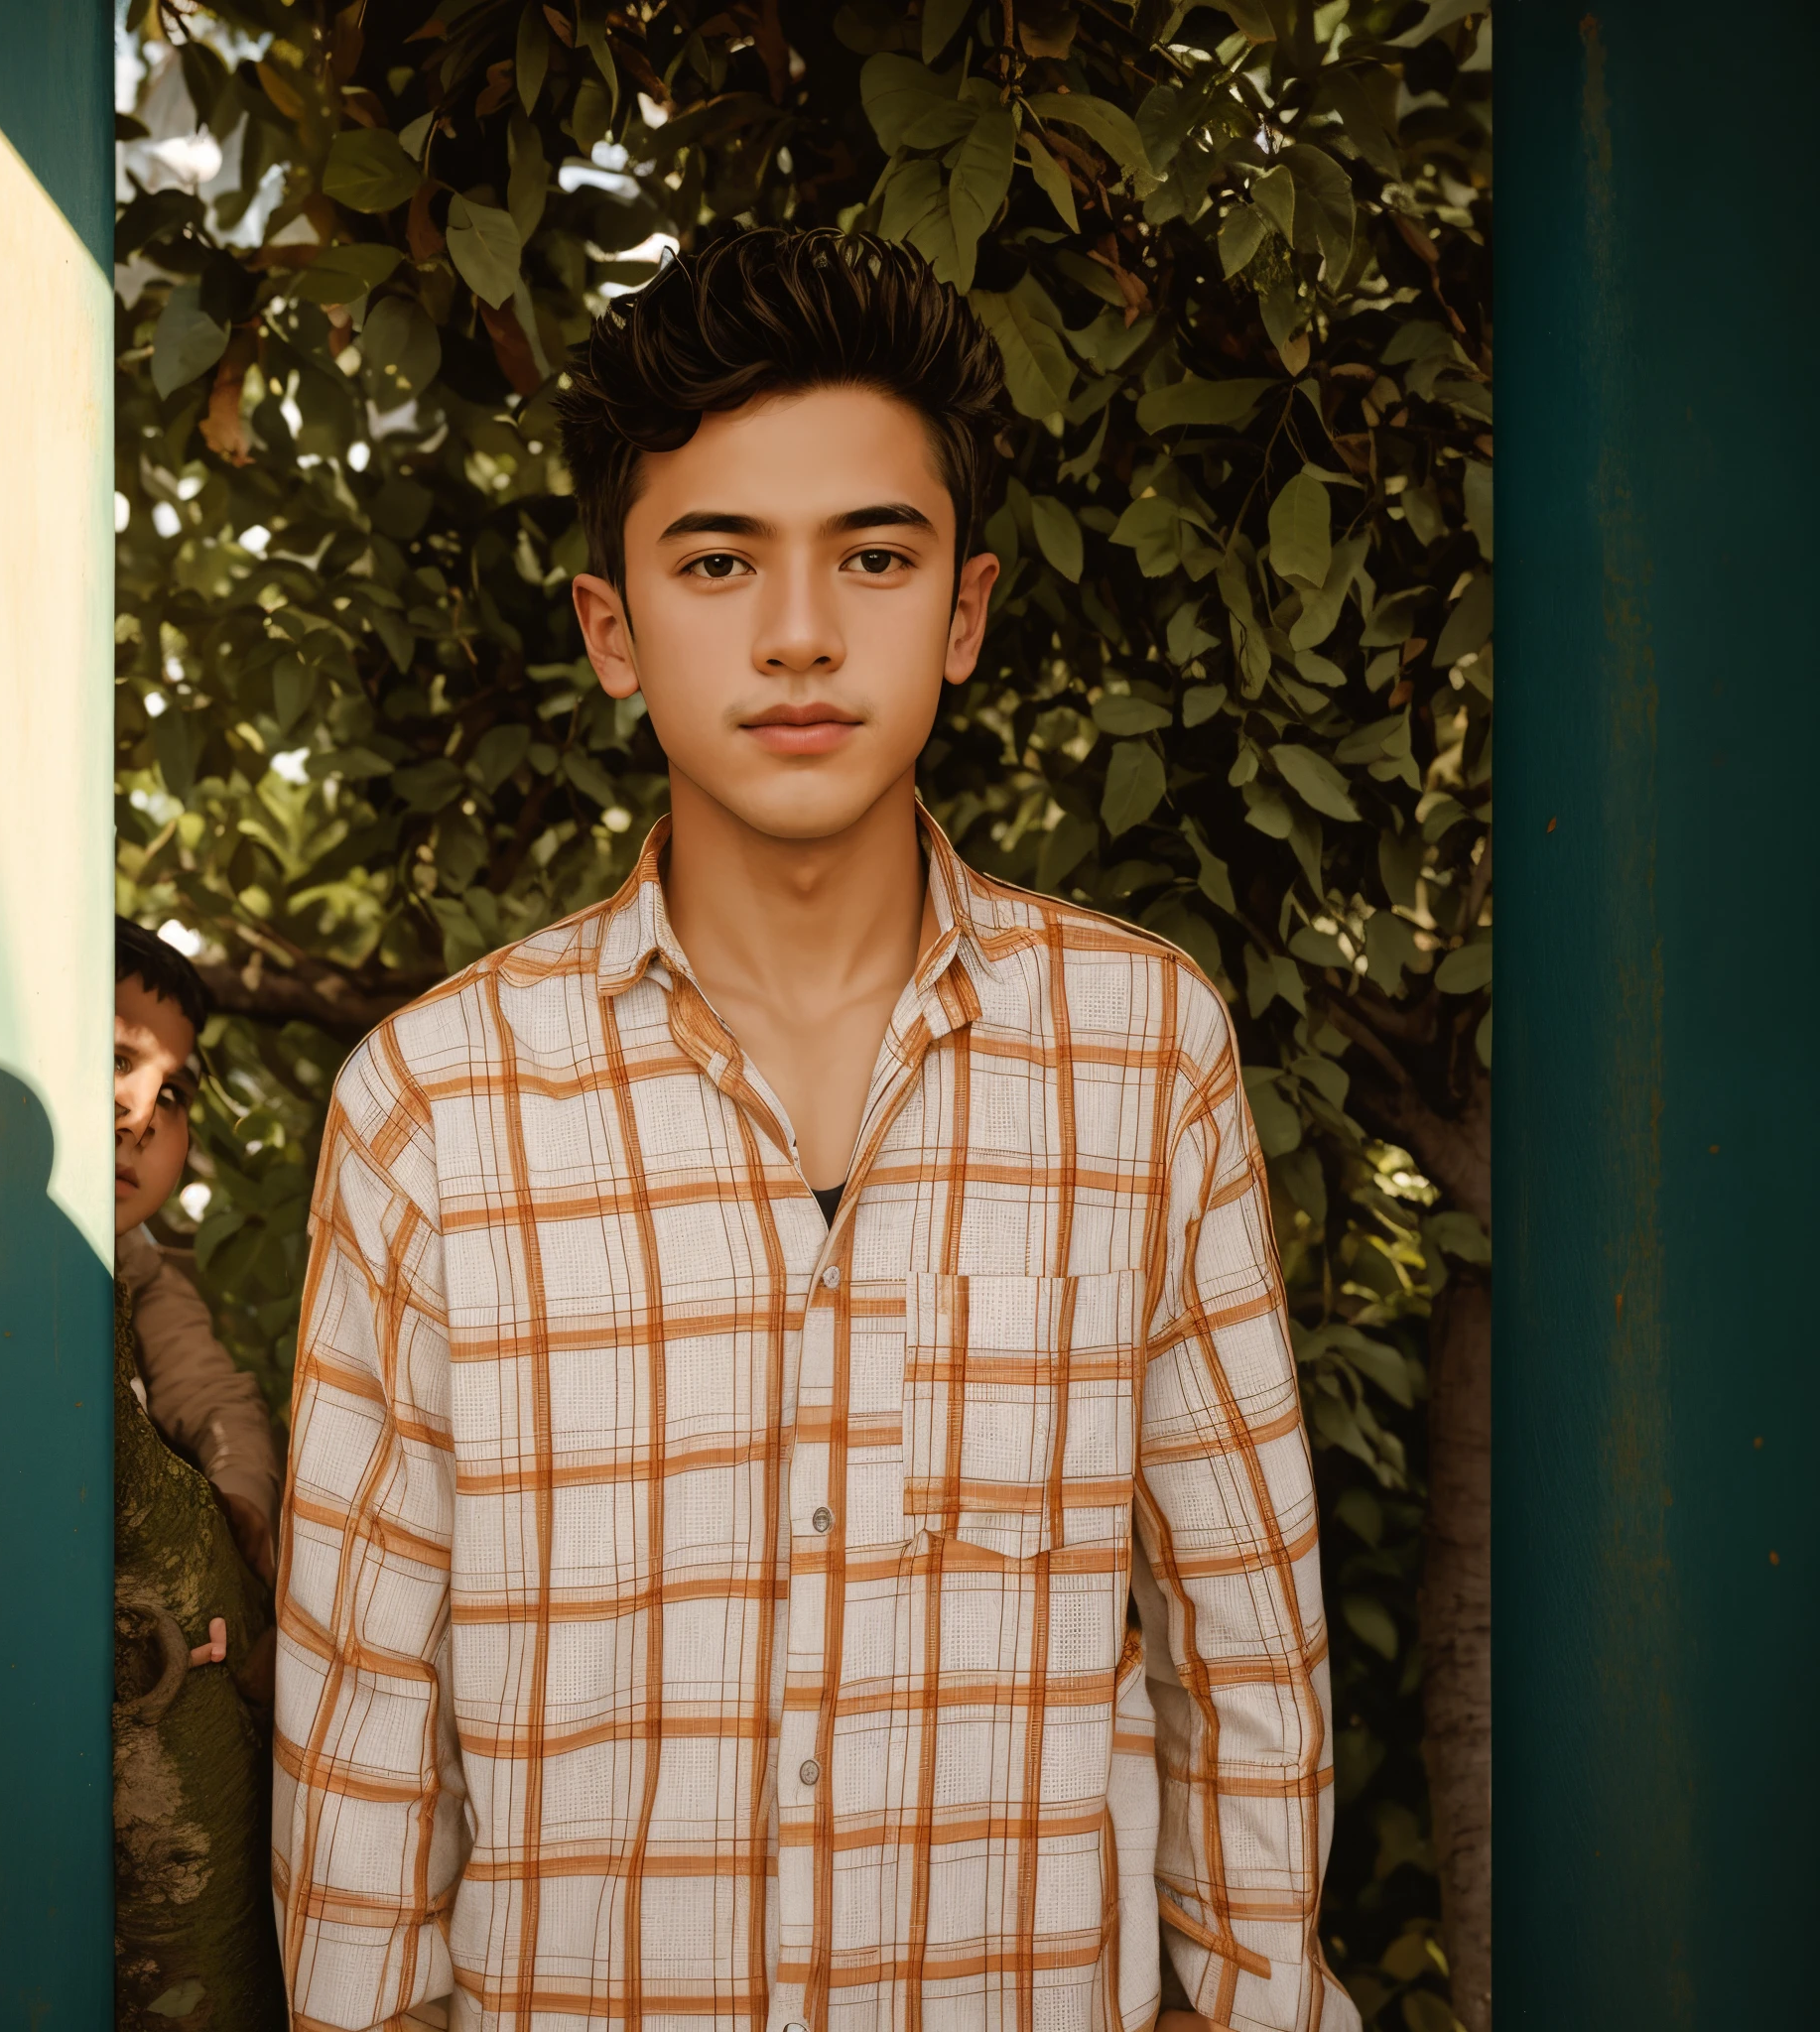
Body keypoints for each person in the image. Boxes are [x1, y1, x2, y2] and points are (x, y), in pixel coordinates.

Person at [273, 229, 1356, 2032]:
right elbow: (362, 1707)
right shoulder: (431, 1106)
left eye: (870, 554)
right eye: (716, 560)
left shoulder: (1139, 1049)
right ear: (610, 629)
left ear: (964, 613)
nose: (796, 631)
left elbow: (1240, 1624)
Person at [115, 918, 281, 1582]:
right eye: (116, 1060)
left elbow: (216, 1400)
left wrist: (241, 1506)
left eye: (174, 1092)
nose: (142, 1112)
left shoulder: (137, 1268)